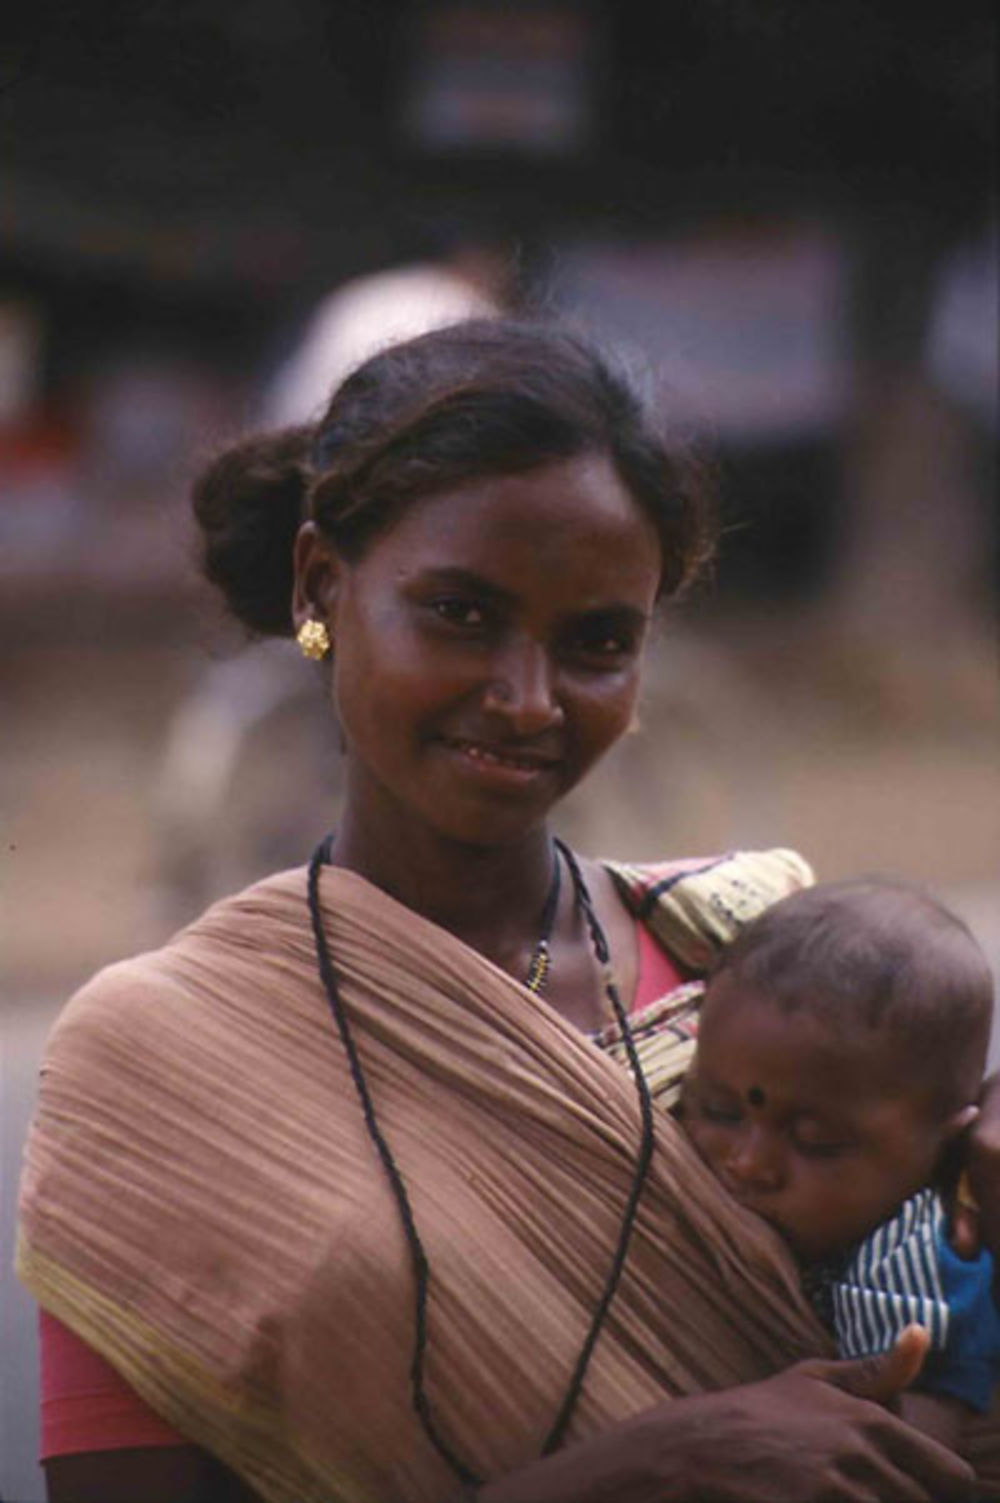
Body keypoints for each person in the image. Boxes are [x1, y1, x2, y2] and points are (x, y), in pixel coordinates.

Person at [16, 317, 999, 1503]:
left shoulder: (758, 969)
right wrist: (653, 1470)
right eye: (461, 614)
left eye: (594, 641)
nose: (527, 701)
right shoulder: (161, 1060)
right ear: (322, 584)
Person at [678, 877, 1000, 1454]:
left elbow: (909, 1444)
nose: (748, 1163)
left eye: (818, 1143)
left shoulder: (907, 1256)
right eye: (718, 1110)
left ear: (944, 1146)